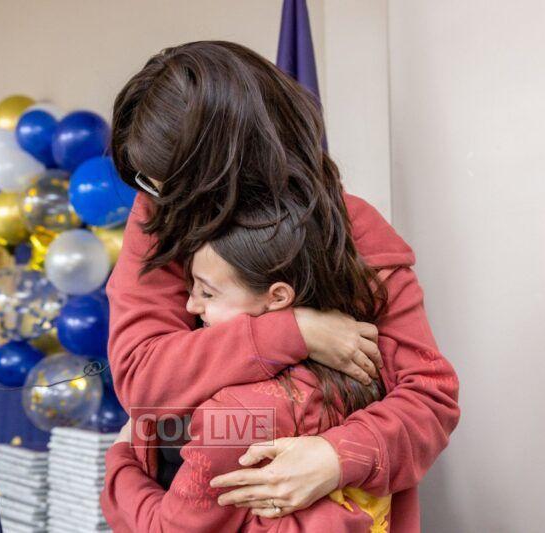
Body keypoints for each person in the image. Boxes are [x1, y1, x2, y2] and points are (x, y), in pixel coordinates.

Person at [103, 40, 460, 531]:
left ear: (227, 165)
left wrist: (336, 456)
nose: (158, 197)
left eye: (170, 183)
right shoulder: (161, 216)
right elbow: (143, 378)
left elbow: (429, 399)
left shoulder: (354, 232)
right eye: (149, 182)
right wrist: (295, 331)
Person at [102, 201, 392, 531]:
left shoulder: (238, 415)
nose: (190, 306)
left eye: (207, 293)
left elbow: (173, 529)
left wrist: (120, 460)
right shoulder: (350, 375)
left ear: (277, 297)